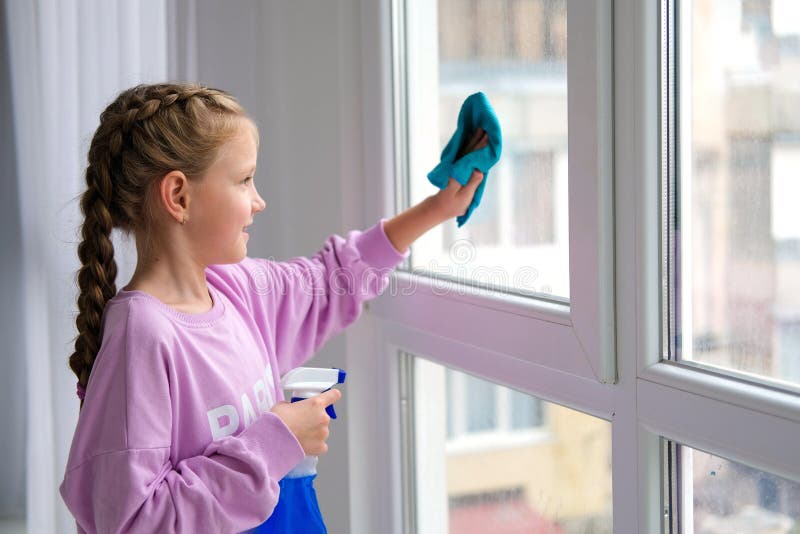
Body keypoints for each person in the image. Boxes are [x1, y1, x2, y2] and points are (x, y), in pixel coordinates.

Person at [59, 83, 486, 533]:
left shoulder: (236, 290)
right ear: (179, 197)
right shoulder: (142, 336)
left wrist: (439, 207)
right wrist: (276, 440)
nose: (258, 201)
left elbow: (332, 279)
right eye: (244, 180)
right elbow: (132, 521)